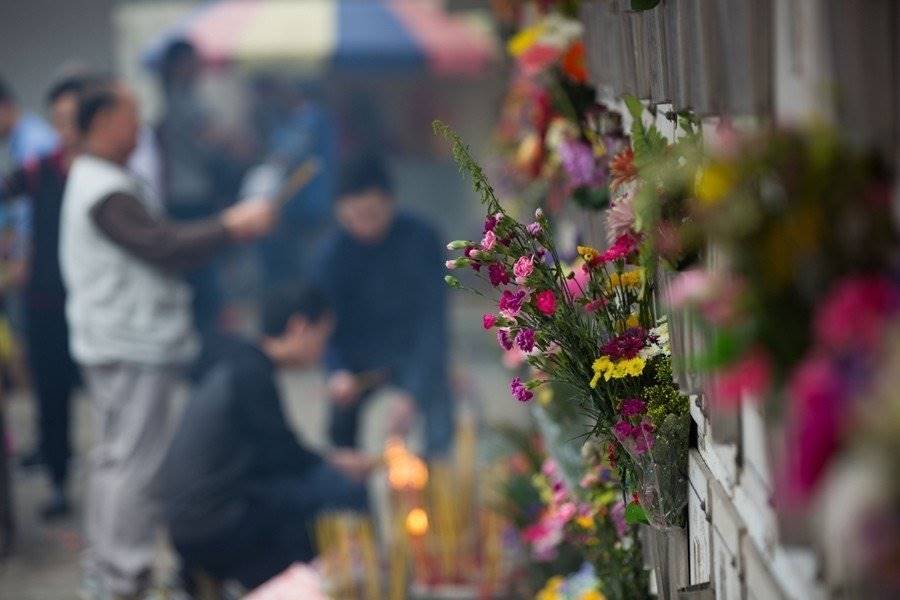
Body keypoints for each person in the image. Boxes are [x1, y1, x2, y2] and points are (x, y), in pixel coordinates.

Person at [59, 79, 277, 600]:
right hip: (130, 341)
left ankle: (109, 566)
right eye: (131, 115)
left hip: (118, 338)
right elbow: (162, 244)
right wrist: (230, 225)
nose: (140, 127)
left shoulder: (104, 179)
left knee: (116, 458)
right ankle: (125, 573)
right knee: (136, 464)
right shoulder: (104, 187)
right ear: (103, 121)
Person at [161, 285, 371, 591]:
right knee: (336, 490)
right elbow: (282, 457)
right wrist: (338, 464)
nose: (323, 350)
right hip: (212, 523)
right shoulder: (250, 372)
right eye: (322, 337)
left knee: (310, 490)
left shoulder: (242, 362)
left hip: (193, 522)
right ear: (299, 328)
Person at [314, 155, 453, 458]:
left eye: (373, 214)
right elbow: (326, 324)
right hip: (359, 359)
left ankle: (439, 473)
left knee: (438, 403)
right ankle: (349, 481)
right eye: (355, 216)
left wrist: (413, 393)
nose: (365, 224)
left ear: (390, 202)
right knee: (340, 418)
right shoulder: (331, 255)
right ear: (340, 211)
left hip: (412, 351)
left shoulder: (421, 239)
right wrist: (336, 370)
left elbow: (433, 320)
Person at [0, 75, 89, 518]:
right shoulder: (41, 169)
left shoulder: (102, 172)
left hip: (93, 303)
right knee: (51, 397)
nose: (65, 129)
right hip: (47, 303)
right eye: (60, 120)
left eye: (73, 119)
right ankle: (58, 481)